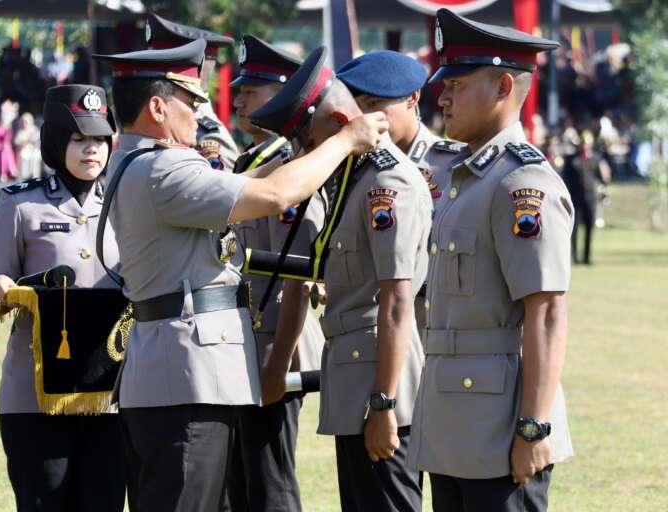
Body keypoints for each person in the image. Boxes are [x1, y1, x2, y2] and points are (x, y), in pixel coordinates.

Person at [92, 41, 387, 512]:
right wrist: (346, 140)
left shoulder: (142, 163)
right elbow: (272, 194)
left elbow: (252, 181)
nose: (200, 111)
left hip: (175, 373)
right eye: (190, 101)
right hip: (186, 379)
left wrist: (299, 146)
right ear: (157, 107)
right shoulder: (165, 169)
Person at [250, 47, 432, 512]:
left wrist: (384, 404)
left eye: (306, 140)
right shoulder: (353, 176)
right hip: (356, 379)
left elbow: (395, 301)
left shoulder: (385, 184)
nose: (307, 154)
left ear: (336, 120)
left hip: (380, 383)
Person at [407, 9, 574, 511]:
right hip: (453, 418)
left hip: (503, 428)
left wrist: (534, 426)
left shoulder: (522, 184)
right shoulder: (467, 178)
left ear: (504, 85)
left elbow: (545, 312)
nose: (443, 96)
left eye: (456, 84)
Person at [0, 85, 127, 511]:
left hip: (110, 392)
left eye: (99, 140)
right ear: (57, 142)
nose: (91, 150)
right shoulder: (20, 206)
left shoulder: (126, 205)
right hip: (35, 393)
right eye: (79, 140)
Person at [226, 34, 325, 512]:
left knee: (270, 482)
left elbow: (297, 275)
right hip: (249, 340)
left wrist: (279, 358)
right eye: (240, 89)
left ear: (285, 96)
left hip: (276, 345)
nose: (239, 98)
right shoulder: (253, 164)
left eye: (253, 91)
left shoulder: (290, 170)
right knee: (244, 481)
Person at [335, 50, 462, 338]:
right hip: (367, 336)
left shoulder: (451, 166)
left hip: (432, 332)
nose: (367, 116)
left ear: (413, 98)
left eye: (376, 103)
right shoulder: (355, 168)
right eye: (359, 106)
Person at [144, 12, 240, 170]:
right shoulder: (154, 114)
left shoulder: (207, 134)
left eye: (163, 68)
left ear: (197, 70)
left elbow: (226, 184)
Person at [562, 130, 609, 265]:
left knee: (589, 229)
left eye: (587, 143)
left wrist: (606, 176)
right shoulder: (571, 159)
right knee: (574, 230)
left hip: (590, 199)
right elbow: (565, 178)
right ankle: (574, 257)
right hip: (575, 199)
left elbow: (603, 178)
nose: (584, 145)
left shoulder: (595, 159)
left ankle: (587, 258)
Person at [14, 112, 43, 179]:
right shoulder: (20, 131)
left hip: (34, 149)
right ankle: (24, 176)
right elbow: (17, 142)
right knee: (23, 154)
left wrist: (33, 142)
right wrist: (24, 143)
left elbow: (39, 141)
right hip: (24, 149)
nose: (25, 123)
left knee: (36, 155)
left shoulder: (35, 130)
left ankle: (35, 176)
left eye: (26, 122)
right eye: (23, 122)